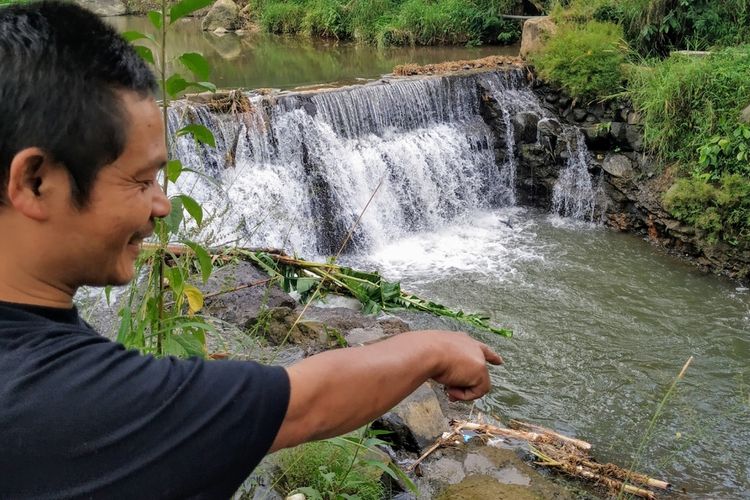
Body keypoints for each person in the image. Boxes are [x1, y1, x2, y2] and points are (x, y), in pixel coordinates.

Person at [0, 2, 503, 498]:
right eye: (141, 180)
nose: (161, 205)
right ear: (36, 182)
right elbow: (306, 404)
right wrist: (434, 347)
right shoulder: (67, 403)